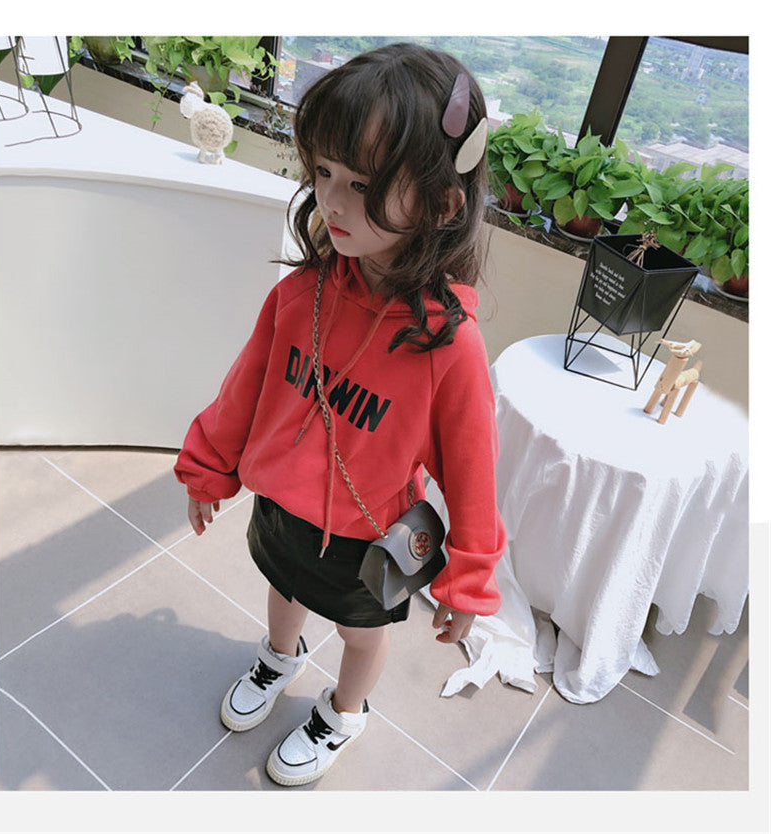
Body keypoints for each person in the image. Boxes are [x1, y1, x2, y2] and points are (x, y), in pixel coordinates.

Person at [174, 42, 507, 788]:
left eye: (362, 184)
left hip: (369, 539)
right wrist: (209, 465)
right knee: (284, 588)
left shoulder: (447, 344)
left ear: (442, 202)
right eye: (323, 172)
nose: (331, 200)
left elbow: (472, 469)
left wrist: (469, 579)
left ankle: (344, 712)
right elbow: (246, 389)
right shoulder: (302, 294)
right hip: (282, 507)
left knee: (360, 634)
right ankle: (279, 656)